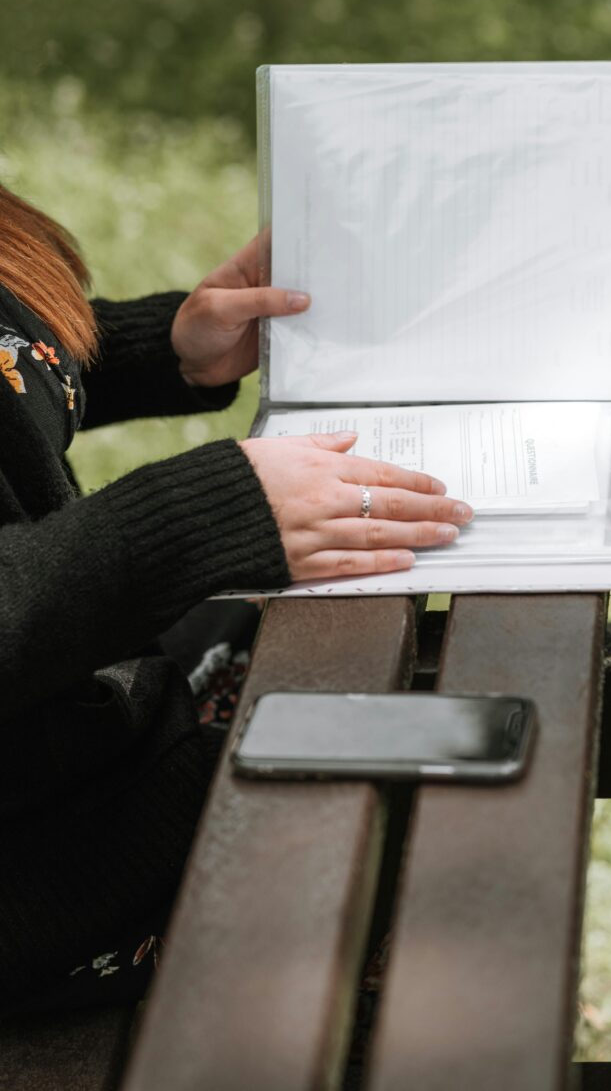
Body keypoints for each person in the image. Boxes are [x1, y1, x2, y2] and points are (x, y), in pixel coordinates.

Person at [0, 184, 473, 1013]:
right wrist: (198, 513)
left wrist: (167, 349)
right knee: (404, 826)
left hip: (72, 713)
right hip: (39, 862)